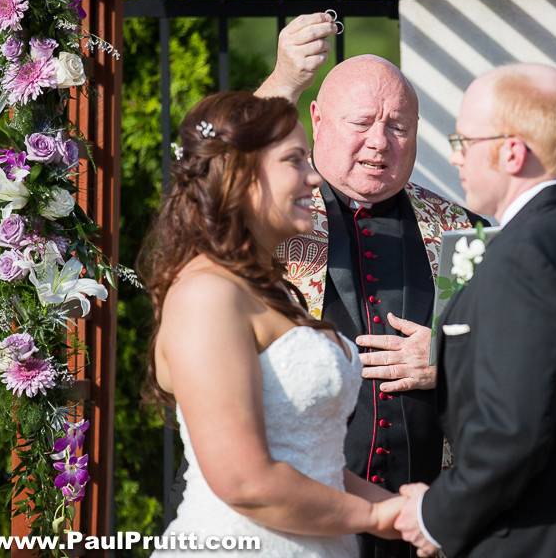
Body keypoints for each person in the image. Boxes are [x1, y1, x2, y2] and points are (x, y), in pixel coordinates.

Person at [394, 63, 556, 557]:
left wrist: (435, 515)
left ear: (511, 151)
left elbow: (512, 430)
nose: (456, 160)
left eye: (464, 142)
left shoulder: (522, 257)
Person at [255, 14, 486, 558]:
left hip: (423, 518)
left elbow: (513, 357)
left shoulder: (461, 232)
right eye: (362, 123)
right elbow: (215, 173)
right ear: (317, 118)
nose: (379, 143)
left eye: (398, 127)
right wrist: (284, 79)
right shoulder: (270, 214)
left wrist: (452, 357)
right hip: (304, 507)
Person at [139, 91, 404, 556]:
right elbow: (245, 481)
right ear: (239, 175)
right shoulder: (206, 296)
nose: (313, 177)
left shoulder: (269, 290)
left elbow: (316, 464)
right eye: (294, 160)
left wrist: (410, 512)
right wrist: (374, 517)